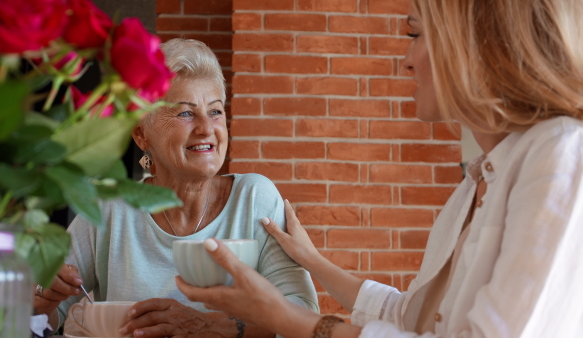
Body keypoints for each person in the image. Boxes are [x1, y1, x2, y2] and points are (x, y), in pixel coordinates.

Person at [176, 0, 583, 337]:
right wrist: (312, 260)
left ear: (475, 43)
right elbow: (409, 315)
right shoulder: (473, 187)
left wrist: (284, 317)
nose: (406, 62)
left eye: (414, 34)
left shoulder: (560, 155)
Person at [32, 38, 318, 337]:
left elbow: (304, 314)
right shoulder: (113, 208)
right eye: (185, 113)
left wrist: (209, 327)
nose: (207, 128)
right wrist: (42, 296)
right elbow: (47, 315)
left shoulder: (254, 199)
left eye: (216, 111)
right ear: (142, 135)